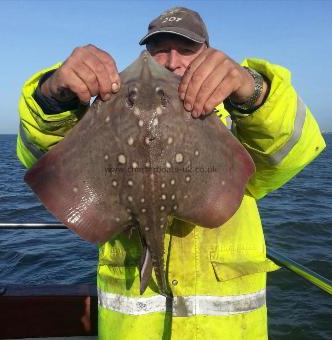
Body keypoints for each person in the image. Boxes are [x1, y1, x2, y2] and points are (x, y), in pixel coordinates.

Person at [17, 6, 325, 340]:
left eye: (187, 49)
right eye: (159, 49)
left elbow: (293, 152)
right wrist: (53, 97)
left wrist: (253, 90)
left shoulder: (236, 120)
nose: (172, 60)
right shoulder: (105, 106)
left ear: (209, 54)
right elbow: (41, 158)